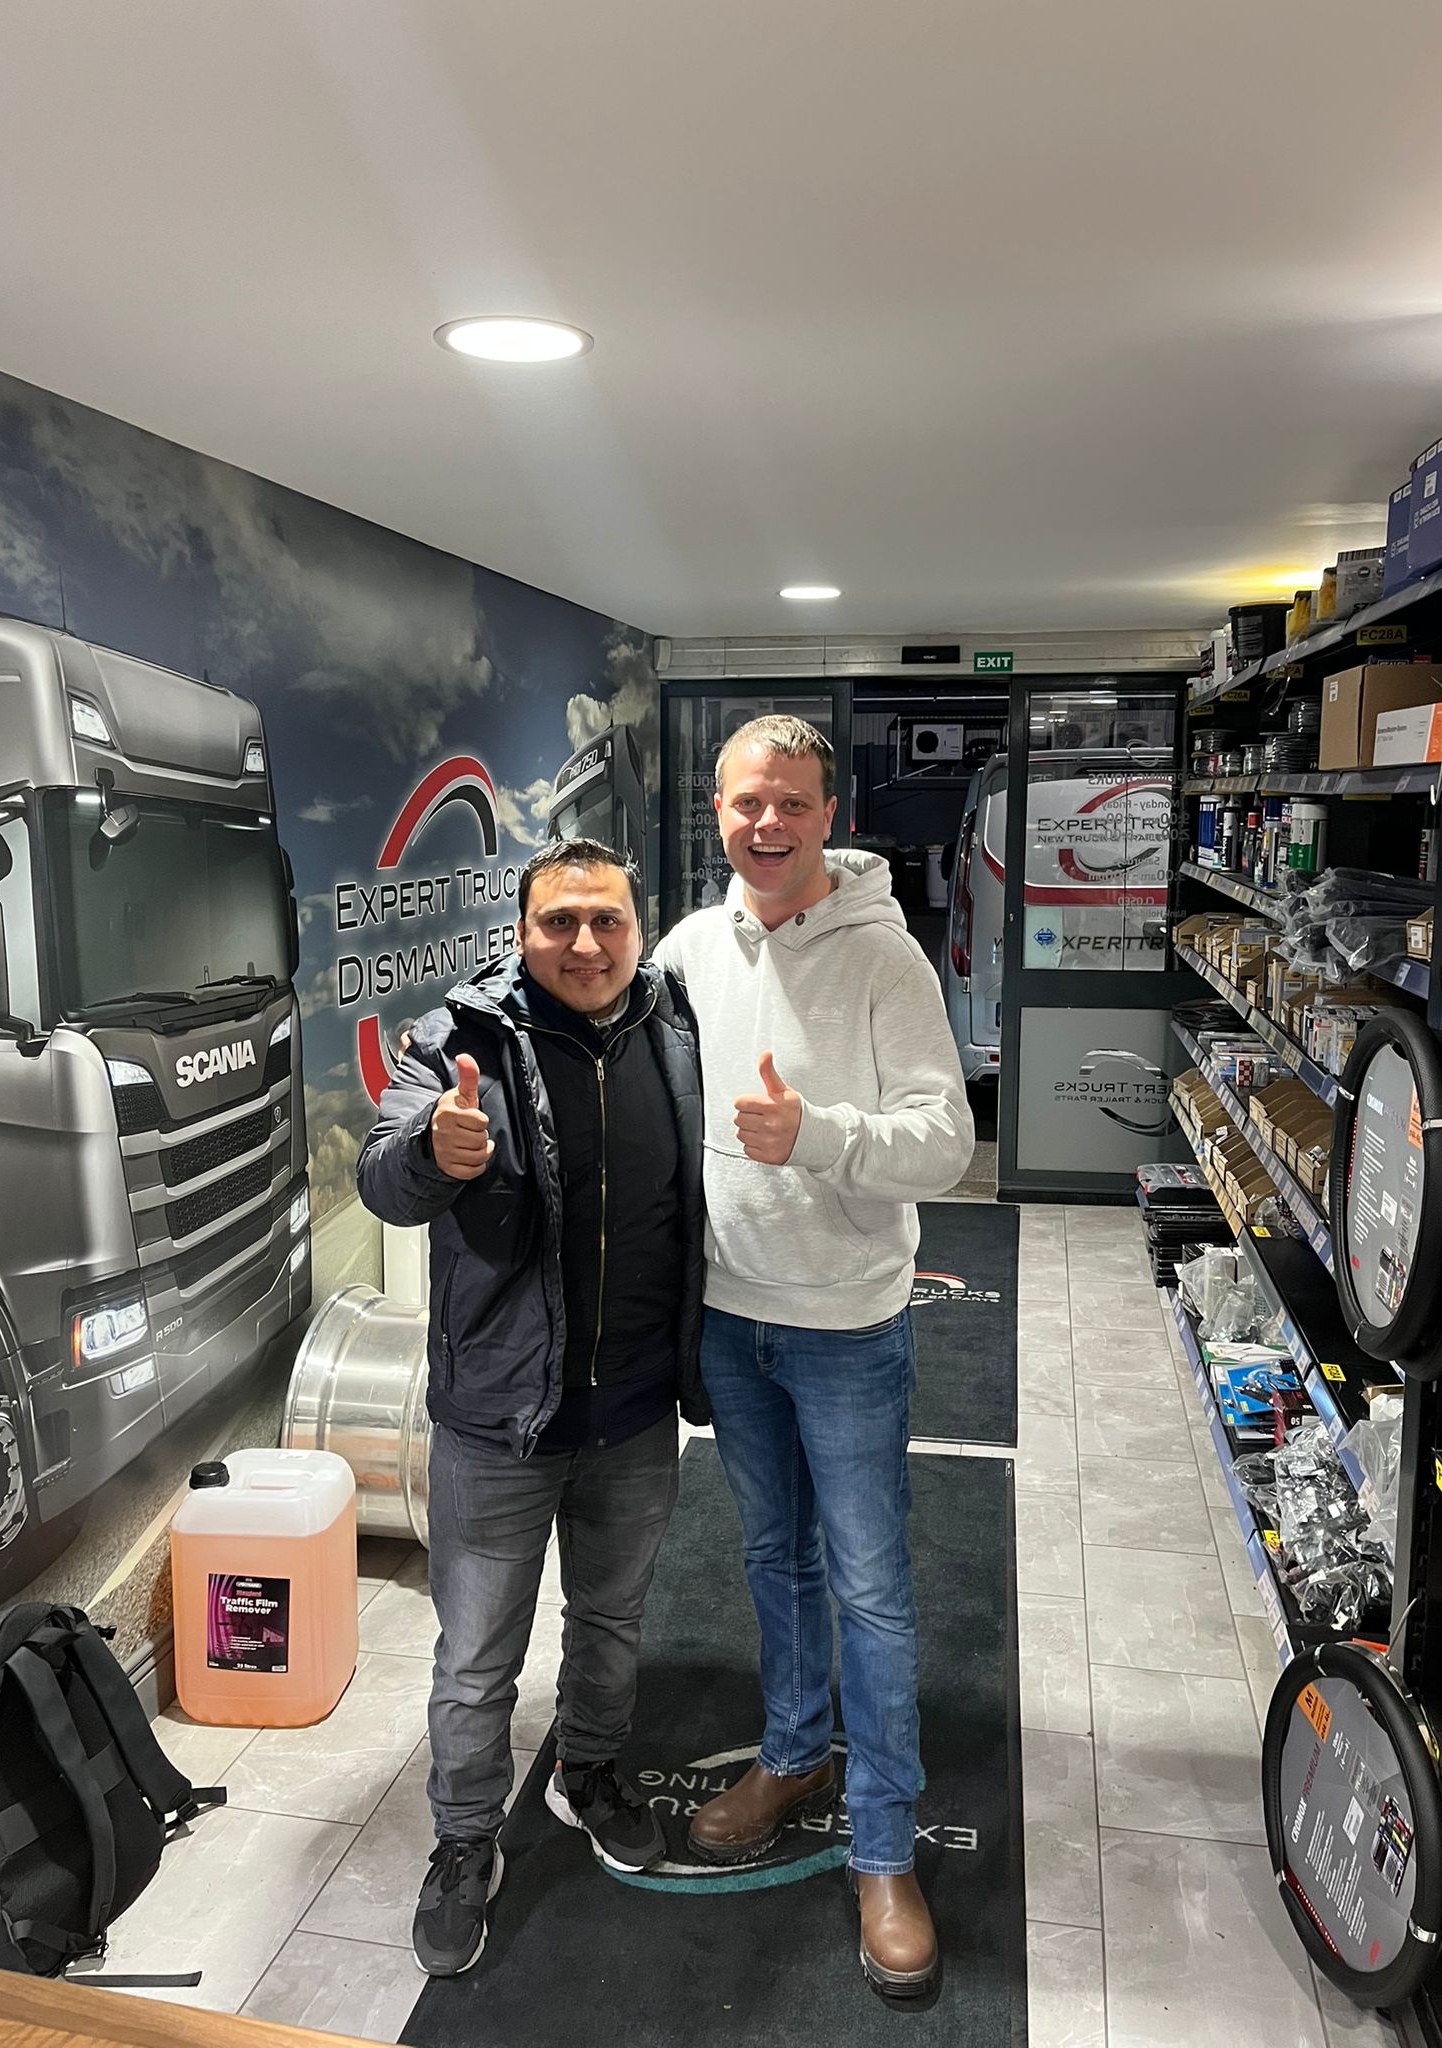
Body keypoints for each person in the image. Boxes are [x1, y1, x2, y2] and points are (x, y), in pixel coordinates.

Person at [654, 714, 975, 2002]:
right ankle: (794, 1752)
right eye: (748, 801)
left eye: (792, 801)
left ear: (829, 813)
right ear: (718, 811)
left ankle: (884, 1846)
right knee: (772, 1557)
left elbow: (945, 1139)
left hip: (847, 1324)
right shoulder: (688, 948)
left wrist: (821, 1135)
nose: (769, 822)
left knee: (872, 1587)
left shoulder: (885, 956)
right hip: (732, 1320)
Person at [356, 838, 707, 1978]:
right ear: (521, 932)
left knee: (611, 1621)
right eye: (560, 921)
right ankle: (466, 1839)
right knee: (475, 1659)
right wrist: (434, 1150)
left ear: (638, 928)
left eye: (607, 920)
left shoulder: (674, 1027)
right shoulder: (459, 1037)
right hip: (498, 1421)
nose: (586, 943)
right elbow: (380, 1177)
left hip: (635, 1410)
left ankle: (589, 1770)